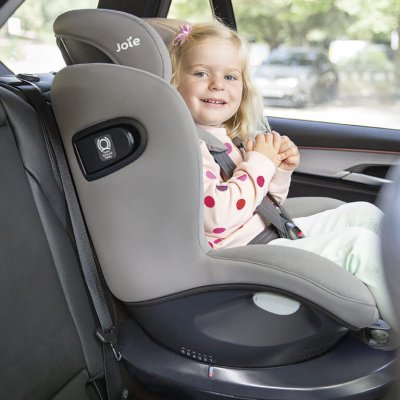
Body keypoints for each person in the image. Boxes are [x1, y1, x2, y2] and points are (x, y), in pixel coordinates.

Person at [168, 21, 397, 333]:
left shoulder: (224, 139)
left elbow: (261, 202)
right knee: (360, 245)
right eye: (201, 73)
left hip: (267, 232)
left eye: (230, 76)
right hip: (243, 254)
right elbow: (217, 216)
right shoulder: (186, 146)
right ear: (174, 82)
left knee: (364, 214)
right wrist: (260, 163)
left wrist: (278, 170)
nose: (217, 84)